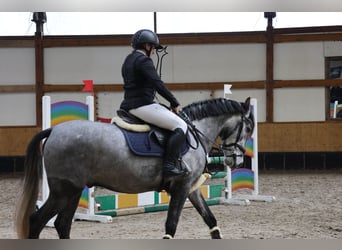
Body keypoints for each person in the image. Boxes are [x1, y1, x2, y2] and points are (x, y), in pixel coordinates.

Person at [120, 29, 188, 179]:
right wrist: (174, 102)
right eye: (153, 48)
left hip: (128, 105)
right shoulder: (143, 60)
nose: (153, 52)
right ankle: (169, 166)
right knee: (181, 126)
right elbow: (157, 83)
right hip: (142, 105)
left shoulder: (128, 60)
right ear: (147, 45)